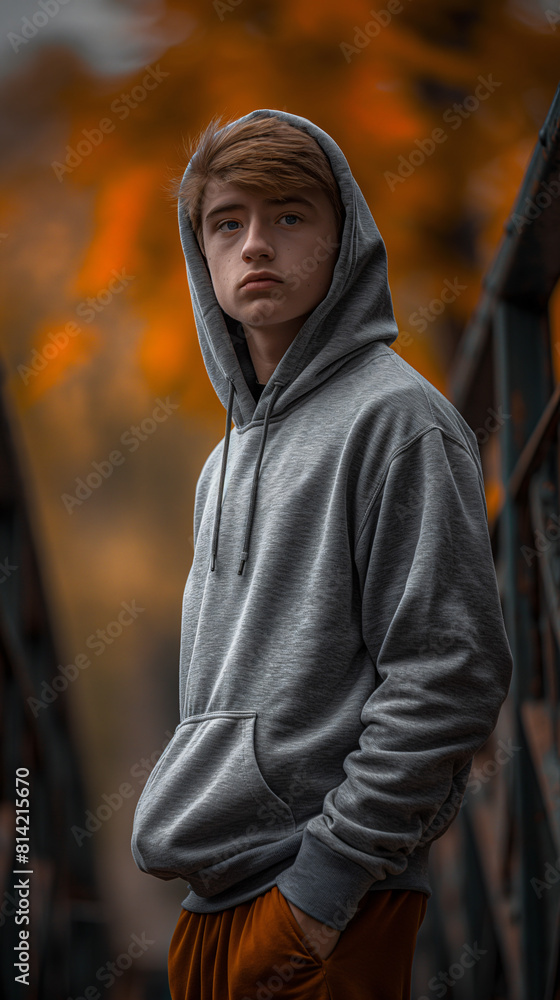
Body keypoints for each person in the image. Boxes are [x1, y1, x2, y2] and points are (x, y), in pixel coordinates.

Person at [131, 109, 514, 999]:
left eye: (290, 215)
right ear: (202, 253)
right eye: (229, 222)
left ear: (344, 241)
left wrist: (326, 883)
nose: (257, 244)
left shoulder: (399, 422)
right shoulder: (221, 462)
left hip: (319, 899)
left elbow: (450, 672)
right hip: (210, 897)